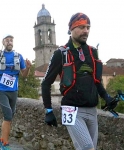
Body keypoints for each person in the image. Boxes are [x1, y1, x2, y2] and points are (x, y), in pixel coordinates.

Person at [41, 13, 118, 150]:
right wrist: (48, 110)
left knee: (87, 147)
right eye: (81, 27)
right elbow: (46, 83)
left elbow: (96, 81)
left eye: (88, 27)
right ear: (71, 29)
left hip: (92, 110)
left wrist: (107, 98)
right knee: (88, 147)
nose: (86, 31)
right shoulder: (61, 53)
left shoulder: (92, 52)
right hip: (72, 110)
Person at [0, 35, 31, 150]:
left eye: (11, 40)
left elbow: (24, 75)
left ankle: (2, 140)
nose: (9, 42)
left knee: (9, 117)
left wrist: (28, 68)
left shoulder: (19, 57)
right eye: (7, 40)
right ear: (3, 42)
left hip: (13, 91)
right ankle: (5, 144)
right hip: (1, 91)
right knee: (8, 115)